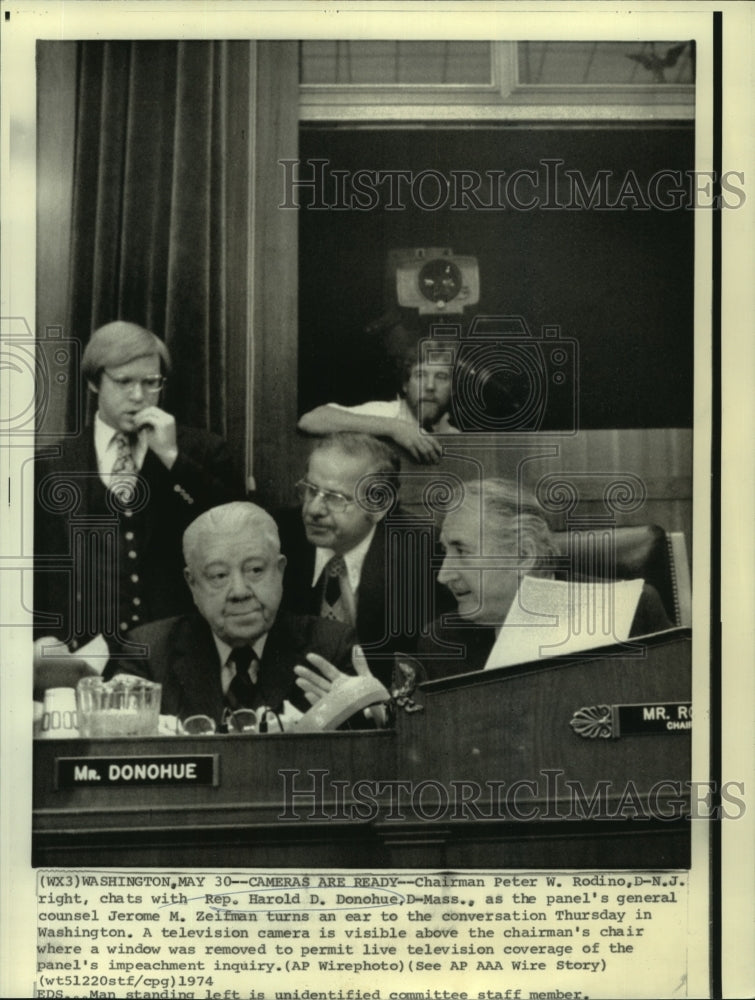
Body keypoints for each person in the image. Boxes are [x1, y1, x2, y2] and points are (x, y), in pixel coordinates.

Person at [296, 478, 673, 697]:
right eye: (445, 552)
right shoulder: (441, 642)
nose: (444, 575)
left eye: (461, 551)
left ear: (523, 555)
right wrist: (387, 720)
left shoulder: (631, 611)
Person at [34, 320, 245, 654]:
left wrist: (172, 458)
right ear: (93, 382)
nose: (138, 396)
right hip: (81, 655)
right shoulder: (52, 465)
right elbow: (38, 572)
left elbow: (235, 534)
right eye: (123, 382)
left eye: (150, 383)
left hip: (179, 653)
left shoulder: (202, 452)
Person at [104, 502, 363, 729]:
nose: (239, 591)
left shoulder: (331, 650)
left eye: (255, 570)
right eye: (219, 575)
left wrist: (370, 715)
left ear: (280, 571)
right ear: (192, 584)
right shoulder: (148, 655)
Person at [276, 432, 449, 686]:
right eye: (311, 490)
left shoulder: (423, 552)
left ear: (379, 506)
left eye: (335, 498)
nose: (313, 510)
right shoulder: (278, 536)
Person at [297, 341, 459, 465]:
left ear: (452, 388)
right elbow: (311, 420)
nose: (430, 386)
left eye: (441, 377)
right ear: (405, 384)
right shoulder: (386, 413)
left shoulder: (455, 436)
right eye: (420, 375)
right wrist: (396, 428)